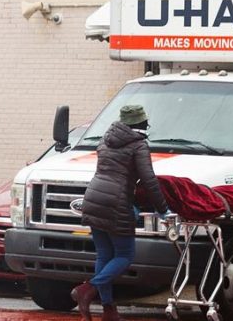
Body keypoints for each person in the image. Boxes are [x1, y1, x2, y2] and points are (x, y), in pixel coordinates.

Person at [70, 105, 169, 321]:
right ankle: (87, 290)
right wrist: (163, 209)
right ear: (140, 124)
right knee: (125, 255)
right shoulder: (138, 145)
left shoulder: (105, 140)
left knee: (104, 255)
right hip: (116, 204)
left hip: (93, 198)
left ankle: (108, 310)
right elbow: (149, 180)